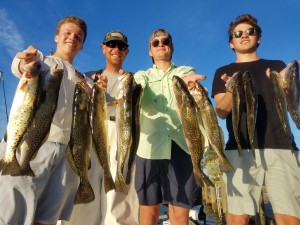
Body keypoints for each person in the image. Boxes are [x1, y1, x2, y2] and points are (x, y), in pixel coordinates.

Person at [0, 16, 97, 225]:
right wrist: (24, 59)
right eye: (67, 33)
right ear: (56, 37)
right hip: (34, 142)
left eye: (78, 36)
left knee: (47, 218)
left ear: (82, 45)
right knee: (12, 213)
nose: (73, 38)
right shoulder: (43, 61)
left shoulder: (83, 79)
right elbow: (20, 66)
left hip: (68, 152)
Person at [211, 14, 300, 225]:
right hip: (240, 148)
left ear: (258, 38)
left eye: (250, 32)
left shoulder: (277, 65)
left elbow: (290, 104)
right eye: (237, 33)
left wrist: (289, 84)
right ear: (231, 42)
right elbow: (222, 111)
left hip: (281, 146)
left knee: (289, 216)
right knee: (237, 217)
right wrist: (232, 89)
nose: (244, 36)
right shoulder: (223, 72)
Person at [58, 30, 139, 225]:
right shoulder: (86, 78)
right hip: (90, 134)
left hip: (123, 135)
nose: (116, 49)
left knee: (119, 201)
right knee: (83, 199)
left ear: (127, 52)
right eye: (111, 45)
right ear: (103, 48)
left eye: (121, 46)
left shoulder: (135, 81)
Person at [134, 28, 206, 225]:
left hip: (182, 145)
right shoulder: (142, 75)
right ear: (150, 51)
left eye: (165, 41)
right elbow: (136, 86)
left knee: (180, 211)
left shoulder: (185, 71)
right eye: (155, 43)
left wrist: (190, 86)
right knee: (148, 211)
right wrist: (135, 87)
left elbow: (191, 84)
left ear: (171, 47)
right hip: (148, 150)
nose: (161, 45)